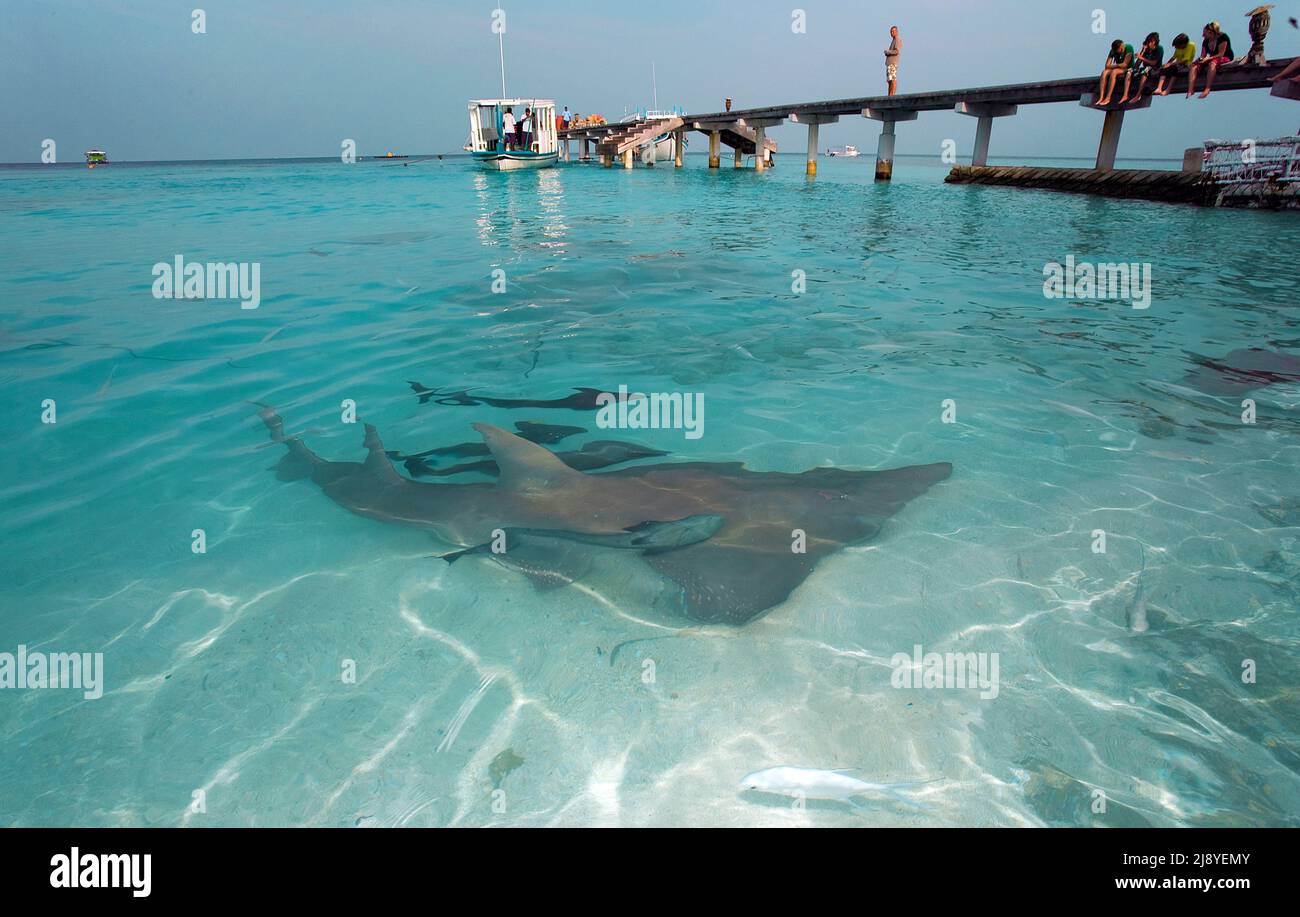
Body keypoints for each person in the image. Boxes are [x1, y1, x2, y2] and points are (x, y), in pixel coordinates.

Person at [1188, 22, 1234, 98]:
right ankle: (1190, 90)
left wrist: (1208, 59)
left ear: (1210, 33)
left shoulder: (1223, 37)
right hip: (1212, 57)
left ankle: (1207, 88)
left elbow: (1221, 54)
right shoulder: (1205, 41)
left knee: (1212, 63)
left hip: (1225, 57)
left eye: (1204, 33)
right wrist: (1200, 59)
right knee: (1194, 66)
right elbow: (1203, 55)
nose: (1203, 35)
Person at [1121, 32, 1164, 104]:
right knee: (1129, 71)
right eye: (1148, 42)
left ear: (1154, 42)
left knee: (1145, 71)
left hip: (1155, 68)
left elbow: (1154, 63)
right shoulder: (1146, 49)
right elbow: (1136, 65)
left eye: (1150, 42)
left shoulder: (1159, 48)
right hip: (1146, 67)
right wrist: (1143, 51)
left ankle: (1138, 95)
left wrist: (1142, 58)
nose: (1149, 44)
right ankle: (1125, 94)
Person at [1096, 38, 1134, 106]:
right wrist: (1118, 65)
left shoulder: (1128, 47)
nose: (1119, 52)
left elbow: (1125, 64)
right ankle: (1101, 97)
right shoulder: (1113, 50)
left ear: (1122, 46)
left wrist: (1114, 66)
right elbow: (1107, 65)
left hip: (1128, 68)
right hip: (1118, 68)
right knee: (1104, 72)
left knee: (1114, 72)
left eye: (1120, 50)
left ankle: (1108, 98)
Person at [884, 26, 901, 96]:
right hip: (890, 63)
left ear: (897, 32)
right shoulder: (894, 40)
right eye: (891, 31)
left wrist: (888, 52)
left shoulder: (897, 39)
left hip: (892, 63)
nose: (892, 33)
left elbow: (897, 51)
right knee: (890, 80)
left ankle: (892, 95)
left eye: (893, 31)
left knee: (892, 79)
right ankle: (890, 95)